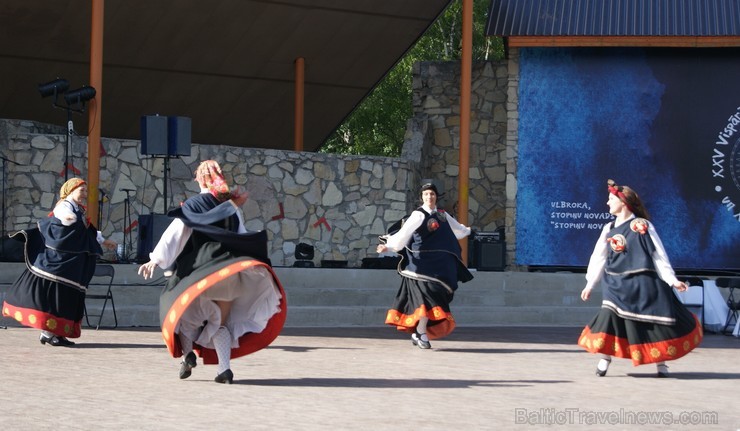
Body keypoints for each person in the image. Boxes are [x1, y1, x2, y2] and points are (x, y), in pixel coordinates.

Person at [138, 160, 286, 384]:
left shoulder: (194, 204)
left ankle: (188, 356)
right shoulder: (230, 208)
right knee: (221, 323)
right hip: (228, 274)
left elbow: (176, 233)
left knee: (181, 315)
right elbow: (241, 235)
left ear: (200, 178)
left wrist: (155, 260)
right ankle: (224, 370)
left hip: (201, 273)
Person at [578, 179, 703, 377]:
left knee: (653, 322)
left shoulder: (642, 225)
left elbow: (658, 255)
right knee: (610, 317)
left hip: (644, 282)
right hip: (616, 284)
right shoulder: (609, 228)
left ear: (624, 202)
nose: (607, 203)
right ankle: (605, 358)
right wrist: (590, 283)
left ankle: (661, 364)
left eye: (611, 199)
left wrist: (671, 280)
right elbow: (599, 257)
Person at [2, 177, 116, 346]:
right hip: (60, 264)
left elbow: (86, 232)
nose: (84, 194)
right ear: (70, 191)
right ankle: (48, 333)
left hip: (71, 266)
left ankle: (57, 333)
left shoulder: (79, 210)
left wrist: (104, 241)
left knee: (65, 298)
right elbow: (63, 217)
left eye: (85, 190)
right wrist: (69, 217)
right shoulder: (64, 206)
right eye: (81, 190)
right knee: (55, 297)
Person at [376, 182, 473, 349]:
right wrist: (389, 246)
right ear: (422, 197)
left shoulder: (443, 215)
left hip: (438, 268)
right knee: (426, 300)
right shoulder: (418, 215)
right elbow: (404, 235)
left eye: (432, 194)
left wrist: (469, 231)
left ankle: (418, 332)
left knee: (433, 297)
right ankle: (421, 332)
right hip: (420, 267)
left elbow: (458, 230)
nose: (430, 197)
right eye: (426, 194)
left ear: (436, 197)